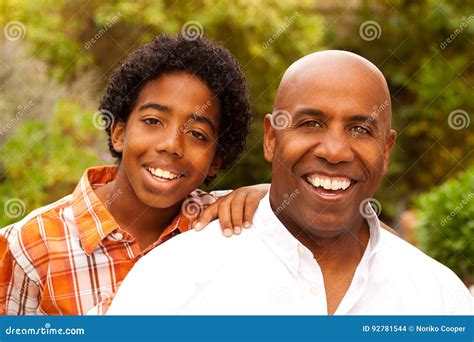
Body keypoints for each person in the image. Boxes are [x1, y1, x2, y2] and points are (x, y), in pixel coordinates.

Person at [106, 50, 474, 315]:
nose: (333, 151)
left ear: (386, 149)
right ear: (271, 138)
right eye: (310, 123)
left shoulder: (440, 298)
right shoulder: (171, 277)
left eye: (360, 129)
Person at [0, 34, 269, 315]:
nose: (171, 145)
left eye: (197, 134)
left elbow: (302, 209)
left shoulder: (225, 223)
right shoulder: (29, 246)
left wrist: (262, 193)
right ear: (119, 133)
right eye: (153, 121)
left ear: (215, 161)